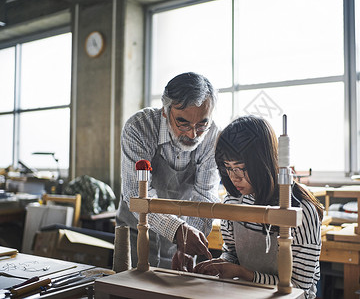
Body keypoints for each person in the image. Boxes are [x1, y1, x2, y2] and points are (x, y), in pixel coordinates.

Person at [194, 116, 323, 298]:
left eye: (241, 168)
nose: (234, 177)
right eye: (228, 168)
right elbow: (232, 254)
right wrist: (221, 266)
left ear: (264, 163)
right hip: (246, 293)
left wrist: (244, 274)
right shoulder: (233, 203)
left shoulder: (301, 211)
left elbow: (299, 285)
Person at [116, 72, 220, 270]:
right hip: (135, 231)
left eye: (201, 124)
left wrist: (189, 242)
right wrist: (178, 231)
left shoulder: (212, 136)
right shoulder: (140, 127)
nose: (192, 134)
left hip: (184, 236)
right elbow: (135, 195)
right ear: (165, 110)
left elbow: (205, 196)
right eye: (183, 122)